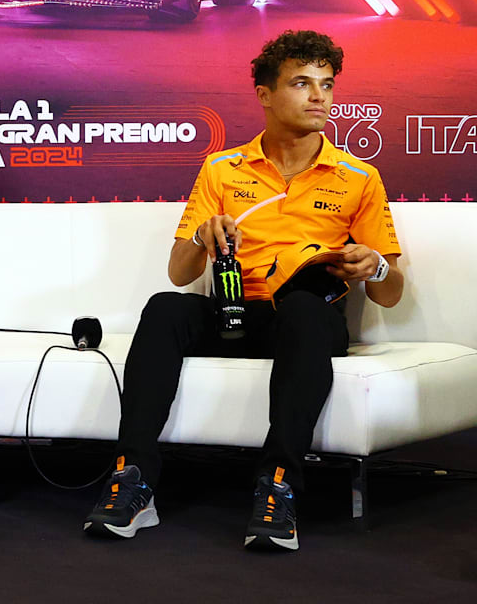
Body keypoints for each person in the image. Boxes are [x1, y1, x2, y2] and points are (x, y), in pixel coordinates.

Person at [84, 30, 404, 551]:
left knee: (303, 309)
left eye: (326, 84)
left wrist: (374, 269)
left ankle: (278, 486)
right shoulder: (222, 169)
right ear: (265, 94)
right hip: (235, 313)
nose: (318, 96)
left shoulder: (358, 177)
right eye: (302, 84)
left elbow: (391, 294)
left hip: (306, 323)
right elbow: (179, 273)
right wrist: (204, 236)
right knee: (166, 309)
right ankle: (132, 478)